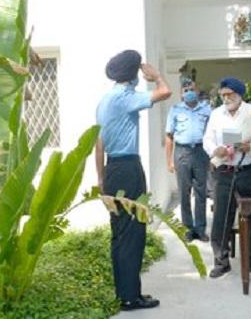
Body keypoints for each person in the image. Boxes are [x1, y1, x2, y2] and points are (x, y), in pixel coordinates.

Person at [95, 49, 171, 311]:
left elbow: (99, 141)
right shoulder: (125, 97)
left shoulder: (104, 101)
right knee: (132, 233)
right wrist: (157, 75)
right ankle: (130, 297)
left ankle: (124, 292)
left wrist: (101, 178)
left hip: (112, 169)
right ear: (134, 72)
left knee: (119, 233)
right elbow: (165, 92)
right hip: (128, 168)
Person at [203, 77, 251, 279]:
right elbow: (207, 139)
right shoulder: (215, 114)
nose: (226, 98)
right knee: (221, 217)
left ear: (239, 94)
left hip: (250, 170)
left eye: (229, 94)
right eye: (223, 95)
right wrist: (214, 149)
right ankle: (221, 261)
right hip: (224, 170)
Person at [165, 77, 211, 242]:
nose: (189, 93)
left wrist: (212, 157)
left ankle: (200, 229)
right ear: (181, 94)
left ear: (197, 91)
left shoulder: (206, 110)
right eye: (186, 91)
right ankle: (188, 229)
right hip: (182, 152)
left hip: (200, 152)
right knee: (184, 192)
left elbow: (212, 133)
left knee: (201, 192)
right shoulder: (175, 110)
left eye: (192, 89)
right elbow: (169, 136)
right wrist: (169, 161)